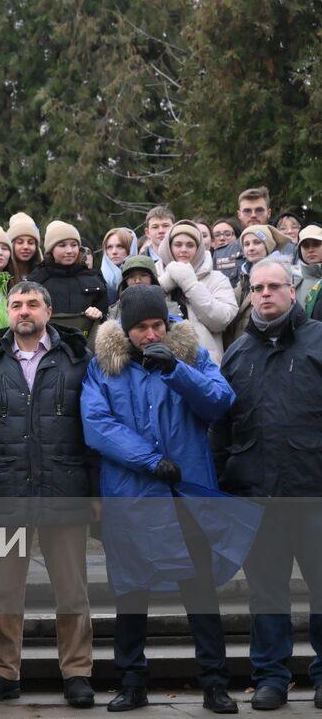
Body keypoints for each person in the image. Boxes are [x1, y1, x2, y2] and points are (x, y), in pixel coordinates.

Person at [79, 285, 238, 714]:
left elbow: (220, 402)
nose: (151, 335)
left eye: (158, 326)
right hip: (132, 496)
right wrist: (149, 460)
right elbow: (97, 425)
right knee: (131, 593)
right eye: (141, 328)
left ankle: (214, 683)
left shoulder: (190, 356)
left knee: (200, 592)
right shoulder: (103, 368)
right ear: (125, 330)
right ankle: (131, 683)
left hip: (186, 494)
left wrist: (177, 373)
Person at [0, 282, 96, 709]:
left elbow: (92, 429)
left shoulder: (77, 358)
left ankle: (77, 673)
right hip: (5, 487)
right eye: (17, 304)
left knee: (72, 588)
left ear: (49, 310)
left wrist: (94, 489)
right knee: (3, 590)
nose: (24, 311)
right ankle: (3, 672)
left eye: (33, 304)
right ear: (8, 310)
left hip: (65, 485)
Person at [215, 259, 322, 708]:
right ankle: (271, 678)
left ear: (292, 290)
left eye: (273, 286)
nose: (264, 294)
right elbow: (221, 428)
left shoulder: (319, 342)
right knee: (266, 592)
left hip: (313, 490)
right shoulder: (238, 354)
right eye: (257, 287)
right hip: (256, 496)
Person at [155, 221, 238, 363]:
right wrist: (161, 286)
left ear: (198, 248)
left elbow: (222, 319)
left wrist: (191, 285)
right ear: (169, 247)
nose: (184, 249)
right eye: (178, 244)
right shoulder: (153, 275)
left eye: (190, 245)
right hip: (160, 361)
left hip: (204, 364)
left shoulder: (217, 279)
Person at [28, 222, 108, 338]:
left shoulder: (93, 279)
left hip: (85, 349)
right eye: (62, 245)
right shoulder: (36, 280)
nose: (69, 250)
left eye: (74, 245)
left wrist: (99, 314)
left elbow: (105, 319)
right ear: (51, 249)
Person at [100, 228, 137, 302]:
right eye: (109, 247)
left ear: (130, 248)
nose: (114, 252)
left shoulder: (141, 277)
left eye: (120, 246)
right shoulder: (98, 280)